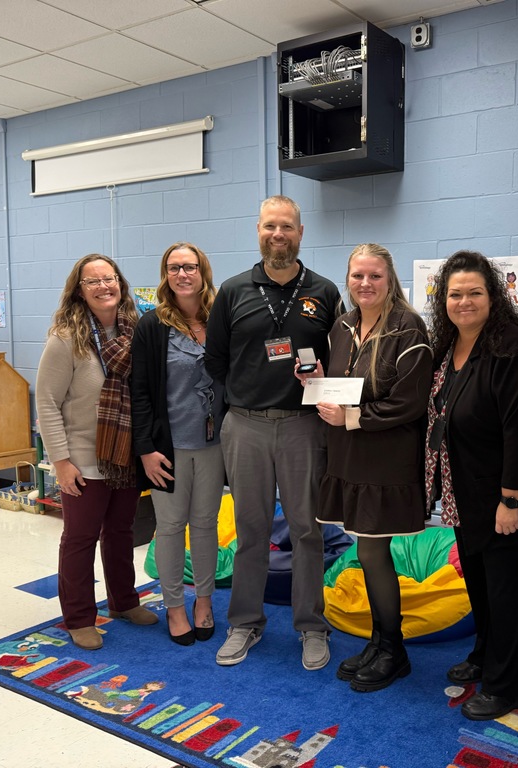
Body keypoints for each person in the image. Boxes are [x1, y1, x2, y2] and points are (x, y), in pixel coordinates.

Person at [204, 195, 342, 671]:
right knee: (251, 531)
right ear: (257, 230)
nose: (277, 234)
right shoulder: (233, 290)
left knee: (308, 530)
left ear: (300, 232)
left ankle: (311, 626)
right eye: (269, 226)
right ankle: (244, 622)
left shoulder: (324, 292)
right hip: (245, 427)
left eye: (286, 226)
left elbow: (339, 361)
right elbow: (216, 361)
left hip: (304, 427)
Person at [299, 243, 433, 692]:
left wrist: (352, 417)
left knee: (373, 552)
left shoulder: (409, 328)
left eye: (374, 275)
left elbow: (411, 403)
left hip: (387, 458)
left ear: (390, 278)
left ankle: (393, 650)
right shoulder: (342, 325)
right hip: (348, 455)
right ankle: (380, 642)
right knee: (366, 550)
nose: (365, 284)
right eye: (358, 275)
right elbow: (345, 388)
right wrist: (316, 384)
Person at [424, 250, 518, 721]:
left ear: (493, 296)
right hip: (464, 496)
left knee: (508, 594)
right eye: (455, 294)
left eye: (475, 292)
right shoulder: (449, 345)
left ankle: (507, 686)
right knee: (480, 586)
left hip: (504, 498)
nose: (464, 301)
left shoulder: (510, 347)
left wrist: (510, 498)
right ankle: (484, 655)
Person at [36, 254, 158, 651]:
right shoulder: (66, 339)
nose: (104, 286)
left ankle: (124, 602)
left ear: (120, 284)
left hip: (124, 455)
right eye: (93, 282)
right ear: (80, 290)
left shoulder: (136, 331)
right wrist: (61, 461)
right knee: (79, 538)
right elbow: (47, 403)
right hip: (83, 459)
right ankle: (78, 618)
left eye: (110, 279)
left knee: (121, 533)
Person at [131, 242, 226, 646]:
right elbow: (139, 392)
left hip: (214, 445)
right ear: (165, 275)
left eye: (189, 267)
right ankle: (173, 607)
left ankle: (203, 602)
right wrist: (146, 449)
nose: (182, 274)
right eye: (173, 268)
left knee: (205, 526)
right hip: (167, 448)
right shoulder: (152, 326)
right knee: (170, 527)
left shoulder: (222, 320)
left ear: (203, 271)